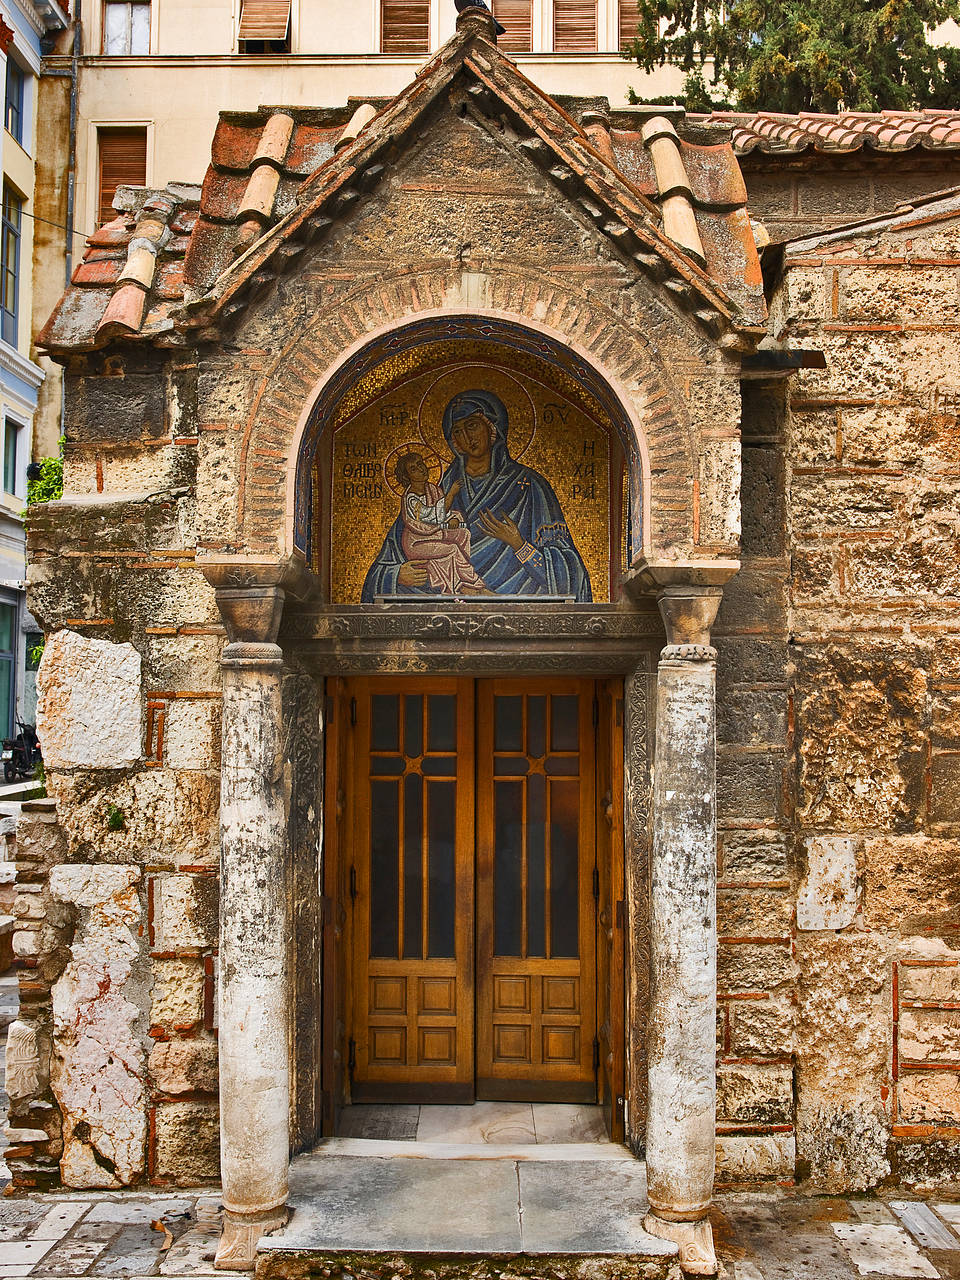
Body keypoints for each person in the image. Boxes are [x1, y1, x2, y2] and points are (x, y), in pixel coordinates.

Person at [361, 389, 591, 601]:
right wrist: (397, 575)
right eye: (457, 432)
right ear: (453, 442)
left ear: (491, 427)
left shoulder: (529, 486)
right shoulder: (437, 491)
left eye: (472, 425)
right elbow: (390, 558)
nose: (466, 437)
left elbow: (571, 574)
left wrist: (519, 544)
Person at [396, 451, 489, 595]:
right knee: (452, 548)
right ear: (407, 476)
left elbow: (442, 513)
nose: (421, 469)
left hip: (435, 534)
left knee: (463, 533)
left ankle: (461, 579)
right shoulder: (411, 499)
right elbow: (431, 516)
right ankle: (468, 583)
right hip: (417, 543)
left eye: (420, 464)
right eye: (413, 469)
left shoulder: (432, 489)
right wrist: (451, 494)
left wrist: (452, 519)